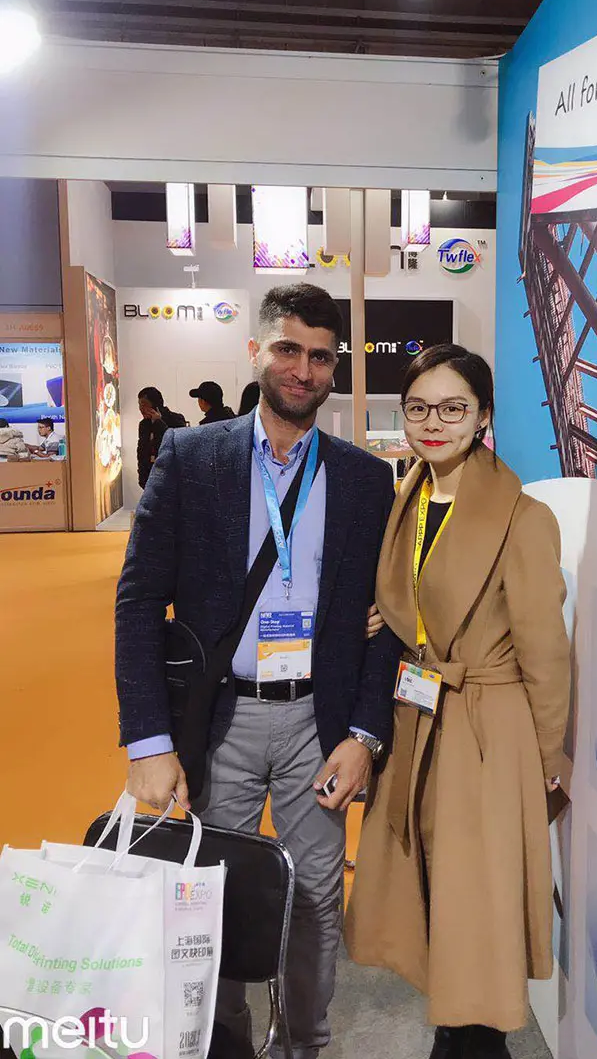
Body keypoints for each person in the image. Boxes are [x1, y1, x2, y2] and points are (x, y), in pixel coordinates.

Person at [116, 283, 401, 1059]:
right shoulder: (192, 457)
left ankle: (303, 1044)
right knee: (208, 897)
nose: (304, 370)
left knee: (314, 899)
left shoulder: (365, 478)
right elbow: (138, 600)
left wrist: (365, 735)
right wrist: (148, 740)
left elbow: (387, 620)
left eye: (321, 357)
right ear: (256, 351)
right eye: (288, 350)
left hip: (319, 721)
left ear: (335, 366)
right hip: (220, 720)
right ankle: (224, 1042)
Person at [345, 344, 571, 1059]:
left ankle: (473, 1040)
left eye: (452, 408)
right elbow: (410, 605)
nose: (433, 423)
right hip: (418, 717)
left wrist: (547, 758)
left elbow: (545, 651)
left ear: (483, 417)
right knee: (431, 896)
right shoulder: (406, 500)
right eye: (418, 408)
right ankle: (453, 1029)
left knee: (477, 906)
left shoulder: (523, 517)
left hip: (487, 731)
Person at [136, 387, 186, 488]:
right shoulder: (144, 424)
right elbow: (141, 451)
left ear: (155, 404)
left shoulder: (176, 419)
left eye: (144, 404)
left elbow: (176, 445)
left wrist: (158, 423)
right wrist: (142, 478)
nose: (141, 408)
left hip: (172, 479)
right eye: (139, 405)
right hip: (149, 480)